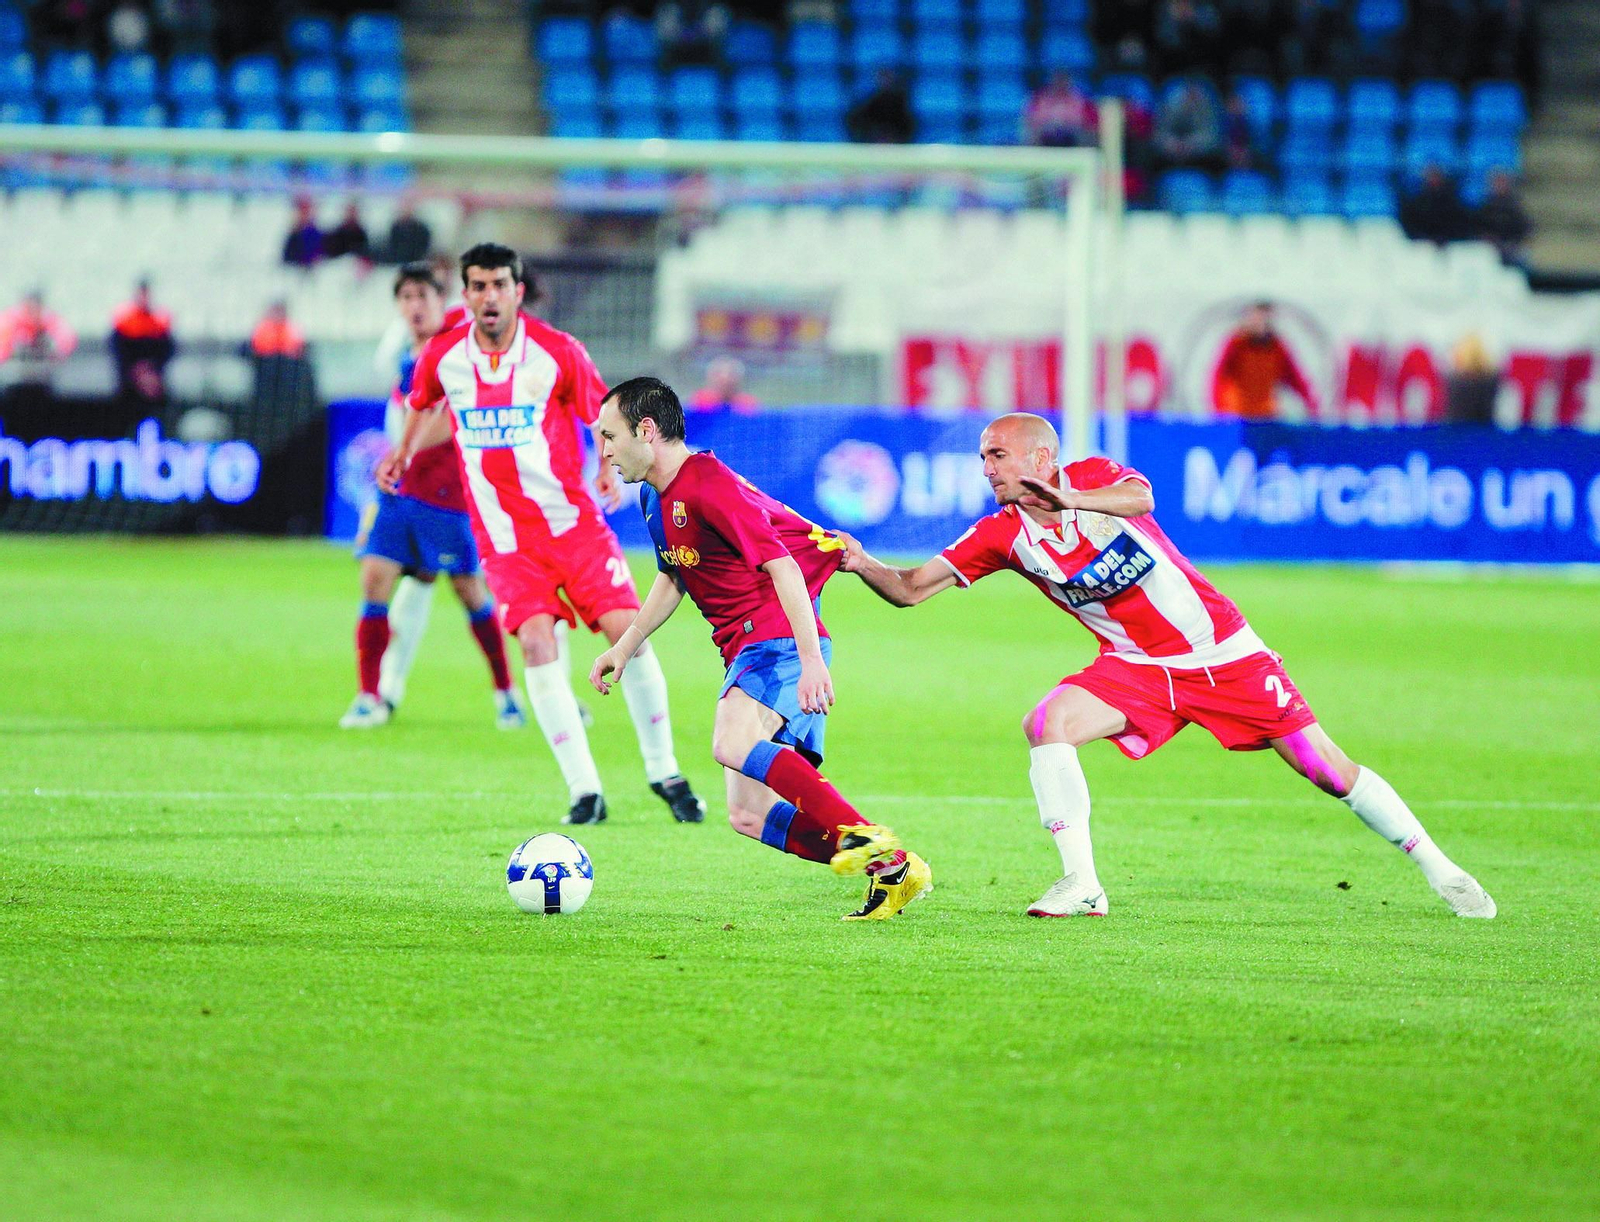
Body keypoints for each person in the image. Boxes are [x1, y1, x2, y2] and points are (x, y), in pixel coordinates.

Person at [837, 413, 1495, 920]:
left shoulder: (1093, 476)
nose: (987, 468)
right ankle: (1083, 883)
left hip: (1222, 652)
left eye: (997, 455)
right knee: (1047, 722)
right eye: (982, 457)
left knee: (1326, 768)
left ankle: (1441, 870)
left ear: (1042, 457)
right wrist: (862, 561)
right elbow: (911, 588)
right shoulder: (999, 535)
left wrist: (1072, 503)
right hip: (1137, 667)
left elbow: (1139, 502)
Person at [379, 243, 705, 826]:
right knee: (535, 642)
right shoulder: (443, 357)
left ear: (517, 291)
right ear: (466, 294)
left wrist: (606, 466)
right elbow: (421, 402)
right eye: (477, 286)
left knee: (625, 633)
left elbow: (600, 411)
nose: (488, 296)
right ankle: (586, 792)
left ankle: (665, 771)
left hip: (574, 526)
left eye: (498, 284)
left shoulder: (556, 352)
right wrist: (401, 452)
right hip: (505, 539)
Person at [587, 377, 932, 921]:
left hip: (776, 637)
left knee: (732, 740)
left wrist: (812, 662)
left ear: (646, 431)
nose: (603, 450)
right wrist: (625, 647)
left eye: (609, 436)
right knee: (748, 816)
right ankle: (891, 871)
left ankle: (881, 852)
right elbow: (673, 577)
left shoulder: (707, 483)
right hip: (744, 648)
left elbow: (783, 565)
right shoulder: (655, 495)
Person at [341, 263, 524, 731]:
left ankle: (505, 693)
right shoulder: (408, 355)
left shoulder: (460, 350)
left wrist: (401, 450)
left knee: (469, 591)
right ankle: (368, 696)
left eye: (422, 296)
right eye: (405, 298)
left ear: (442, 300)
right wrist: (400, 455)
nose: (414, 306)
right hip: (400, 492)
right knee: (374, 578)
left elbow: (455, 420)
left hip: (446, 493)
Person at [1211, 301, 1318, 420]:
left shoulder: (1277, 347)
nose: (1261, 321)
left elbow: (1295, 379)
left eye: (1265, 315)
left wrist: (1311, 405)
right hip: (1236, 414)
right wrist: (1218, 410)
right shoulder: (1236, 343)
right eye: (1257, 315)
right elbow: (1218, 377)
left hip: (1266, 414)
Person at [109, 278, 175, 405]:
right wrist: (136, 370)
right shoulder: (125, 321)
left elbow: (167, 349)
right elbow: (118, 350)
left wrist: (151, 368)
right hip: (130, 378)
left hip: (154, 372)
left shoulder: (159, 322)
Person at [0, 291, 76, 388]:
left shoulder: (49, 320)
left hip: (44, 375)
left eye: (35, 308)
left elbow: (66, 342)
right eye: (28, 308)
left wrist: (54, 352)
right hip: (12, 376)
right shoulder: (10, 320)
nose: (32, 313)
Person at [1153, 78, 1223, 170]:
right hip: (1167, 158)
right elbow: (1158, 133)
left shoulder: (1206, 109)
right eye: (1188, 94)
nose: (1191, 98)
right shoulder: (1169, 108)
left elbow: (1212, 136)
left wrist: (1191, 144)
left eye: (1194, 94)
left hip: (1202, 160)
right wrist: (1172, 144)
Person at [1023, 71, 1099, 149]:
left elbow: (1087, 123)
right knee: (1032, 133)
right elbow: (1032, 120)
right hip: (1045, 135)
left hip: (1073, 135)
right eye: (1057, 80)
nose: (1060, 83)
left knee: (1086, 134)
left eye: (1063, 80)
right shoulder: (1040, 99)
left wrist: (1066, 125)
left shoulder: (1080, 100)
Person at [1473, 169, 1532, 267]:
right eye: (1497, 183)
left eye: (1502, 182)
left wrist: (1511, 244)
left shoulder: (1515, 207)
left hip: (1510, 248)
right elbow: (1477, 228)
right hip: (1488, 249)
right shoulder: (1484, 207)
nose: (1499, 186)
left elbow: (1524, 229)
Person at [1399, 166, 1470, 245]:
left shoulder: (1452, 203)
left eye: (1436, 178)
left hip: (1449, 245)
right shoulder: (1416, 204)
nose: (1434, 181)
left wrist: (1445, 237)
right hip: (1423, 246)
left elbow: (1459, 224)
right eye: (1431, 178)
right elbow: (1411, 227)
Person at [845, 70, 914, 145]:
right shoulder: (869, 103)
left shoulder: (901, 101)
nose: (885, 82)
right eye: (883, 78)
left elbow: (906, 124)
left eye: (888, 79)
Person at [687, 357, 758, 413]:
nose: (725, 382)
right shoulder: (700, 402)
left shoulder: (746, 405)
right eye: (719, 377)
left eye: (731, 376)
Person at [383, 200, 432, 265]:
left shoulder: (422, 229)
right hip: (398, 260)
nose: (405, 213)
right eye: (403, 211)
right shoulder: (396, 228)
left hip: (417, 259)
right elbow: (393, 245)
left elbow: (423, 246)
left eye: (407, 210)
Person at [281, 196, 323, 268]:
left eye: (307, 210)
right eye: (302, 211)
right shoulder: (293, 235)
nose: (304, 214)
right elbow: (287, 260)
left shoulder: (317, 234)